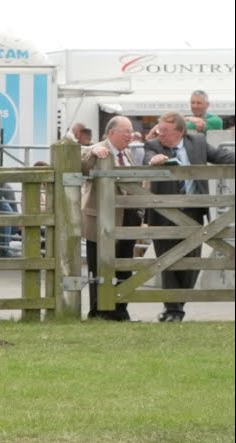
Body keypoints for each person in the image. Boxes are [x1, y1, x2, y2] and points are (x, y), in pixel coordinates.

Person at [140, 111, 234, 322]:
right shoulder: (154, 145)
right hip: (164, 213)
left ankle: (177, 306)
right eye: (159, 130)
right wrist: (154, 159)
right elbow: (148, 157)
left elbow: (221, 156)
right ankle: (173, 310)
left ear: (180, 131)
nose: (160, 134)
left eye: (165, 131)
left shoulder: (197, 142)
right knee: (168, 262)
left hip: (193, 212)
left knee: (192, 262)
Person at [80, 115, 142, 321]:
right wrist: (93, 152)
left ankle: (120, 310)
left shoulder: (128, 153)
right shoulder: (98, 149)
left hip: (127, 217)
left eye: (131, 131)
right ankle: (98, 311)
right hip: (100, 219)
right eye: (126, 131)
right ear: (111, 132)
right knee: (99, 266)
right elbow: (80, 162)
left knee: (124, 265)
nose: (130, 135)